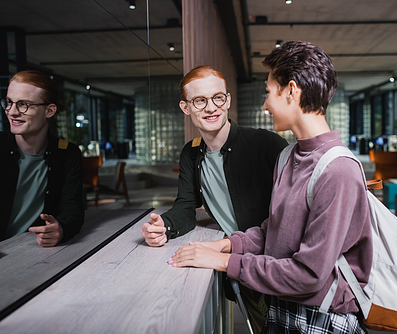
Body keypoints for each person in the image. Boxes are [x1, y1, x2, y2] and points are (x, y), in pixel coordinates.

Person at [168, 41, 373, 334]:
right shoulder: (289, 156)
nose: (265, 105)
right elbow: (273, 231)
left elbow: (309, 275)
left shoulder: (338, 169)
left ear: (291, 91)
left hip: (320, 320)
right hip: (284, 311)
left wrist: (225, 261)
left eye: (268, 92)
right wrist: (226, 244)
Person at [141, 65, 288, 333]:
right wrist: (165, 226)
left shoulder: (264, 143)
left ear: (228, 100)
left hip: (277, 266)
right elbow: (186, 206)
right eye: (200, 100)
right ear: (186, 108)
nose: (211, 107)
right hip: (240, 267)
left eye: (218, 98)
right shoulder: (192, 153)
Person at [0, 70, 85, 264]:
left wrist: (61, 229)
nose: (12, 111)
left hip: (34, 256)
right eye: (9, 102)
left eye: (23, 104)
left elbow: (73, 207)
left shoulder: (67, 153)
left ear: (50, 111)